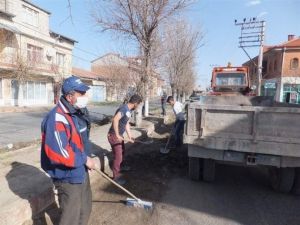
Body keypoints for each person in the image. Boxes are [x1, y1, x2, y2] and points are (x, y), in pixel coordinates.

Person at [41, 76, 96, 225]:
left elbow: (81, 141)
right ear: (70, 96)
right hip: (67, 177)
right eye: (81, 93)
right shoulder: (57, 119)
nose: (85, 97)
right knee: (71, 217)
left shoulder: (76, 112)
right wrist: (84, 159)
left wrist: (86, 158)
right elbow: (60, 154)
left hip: (80, 170)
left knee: (85, 209)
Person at [108, 94, 142, 185]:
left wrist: (130, 136)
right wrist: (117, 134)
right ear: (135, 103)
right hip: (113, 136)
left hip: (119, 136)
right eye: (138, 104)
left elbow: (126, 123)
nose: (138, 106)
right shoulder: (123, 108)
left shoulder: (129, 110)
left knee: (122, 152)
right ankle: (116, 176)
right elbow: (115, 120)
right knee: (118, 157)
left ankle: (120, 167)